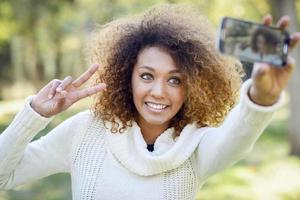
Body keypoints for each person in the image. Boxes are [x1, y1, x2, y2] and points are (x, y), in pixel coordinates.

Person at [0, 4, 299, 200]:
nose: (158, 91)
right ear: (126, 77)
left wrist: (263, 96)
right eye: (146, 76)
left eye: (174, 80)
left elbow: (238, 137)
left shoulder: (197, 146)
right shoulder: (83, 132)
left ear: (192, 86)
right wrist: (34, 115)